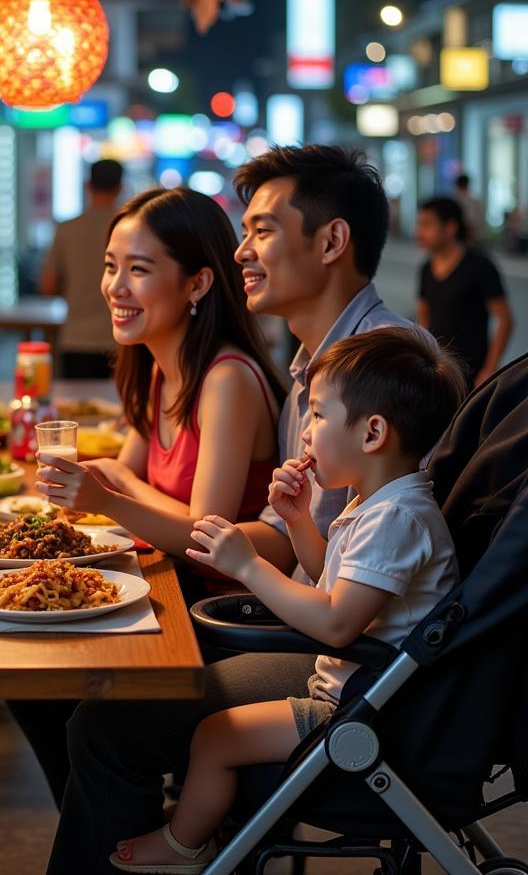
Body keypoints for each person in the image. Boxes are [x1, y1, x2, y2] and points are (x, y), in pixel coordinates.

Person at [46, 145, 417, 873]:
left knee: (105, 717)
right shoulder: (320, 366)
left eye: (263, 230)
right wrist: (219, 534)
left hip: (348, 665)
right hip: (306, 624)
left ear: (332, 241)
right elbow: (297, 536)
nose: (243, 249)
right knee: (75, 682)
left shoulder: (380, 372)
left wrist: (182, 527)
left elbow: (361, 573)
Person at [109, 327, 466, 872]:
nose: (306, 432)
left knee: (215, 736)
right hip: (357, 690)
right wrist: (300, 522)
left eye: (320, 416)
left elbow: (338, 622)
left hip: (367, 712)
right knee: (213, 729)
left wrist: (247, 566)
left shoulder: (396, 518)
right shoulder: (376, 502)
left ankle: (186, 846)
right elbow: (333, 581)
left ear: (373, 433)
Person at [37, 185, 285, 584]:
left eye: (138, 269)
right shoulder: (160, 367)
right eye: (110, 266)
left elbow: (207, 539)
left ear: (198, 284)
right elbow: (122, 473)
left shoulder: (227, 379)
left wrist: (113, 491)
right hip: (168, 579)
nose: (115, 287)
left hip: (216, 608)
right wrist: (101, 483)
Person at [415, 196, 513, 387]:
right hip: (439, 374)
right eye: (419, 224)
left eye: (427, 224)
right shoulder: (426, 268)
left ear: (450, 227)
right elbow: (424, 316)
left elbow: (505, 319)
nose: (420, 232)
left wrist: (489, 369)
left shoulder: (480, 266)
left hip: (473, 375)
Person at [39, 158, 123, 378]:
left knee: (76, 409)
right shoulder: (131, 230)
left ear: (87, 185)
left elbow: (47, 285)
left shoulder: (67, 229)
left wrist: (74, 289)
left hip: (75, 337)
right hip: (121, 339)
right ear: (120, 187)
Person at [453, 173, 486, 245]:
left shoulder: (453, 200)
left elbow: (471, 222)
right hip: (469, 238)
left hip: (460, 237)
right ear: (468, 184)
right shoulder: (474, 201)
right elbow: (474, 221)